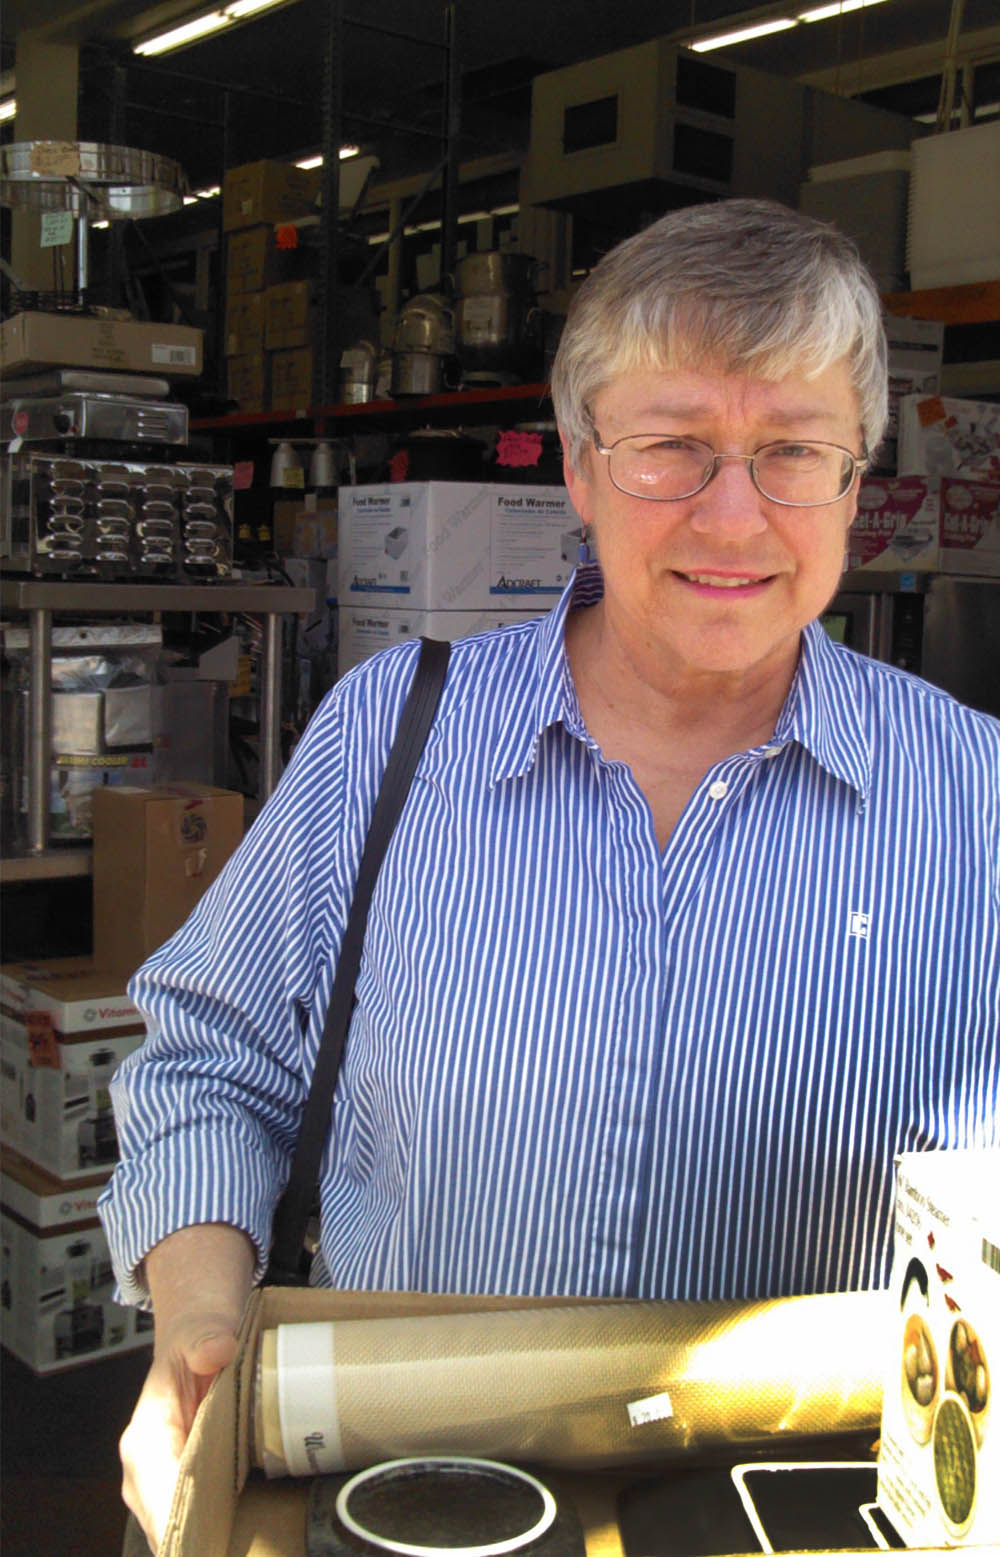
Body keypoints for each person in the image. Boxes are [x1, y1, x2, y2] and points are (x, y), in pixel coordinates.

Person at [99, 197, 999, 1551]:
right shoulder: (391, 738)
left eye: (793, 452)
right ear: (579, 466)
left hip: (798, 1512)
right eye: (671, 448)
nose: (734, 516)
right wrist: (201, 1328)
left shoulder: (977, 799)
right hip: (408, 1493)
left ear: (856, 477)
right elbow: (212, 1062)